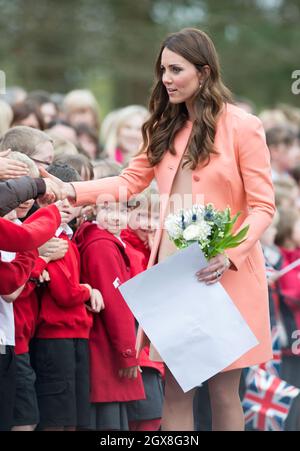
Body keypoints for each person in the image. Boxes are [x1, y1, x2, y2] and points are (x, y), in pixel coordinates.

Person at [44, 28, 275, 431]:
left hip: (229, 273)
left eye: (176, 69)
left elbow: (263, 206)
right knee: (175, 388)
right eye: (162, 69)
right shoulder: (161, 126)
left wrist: (229, 254)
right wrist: (72, 189)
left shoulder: (243, 126)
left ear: (204, 72)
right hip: (174, 271)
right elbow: (127, 182)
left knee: (223, 392)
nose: (166, 78)